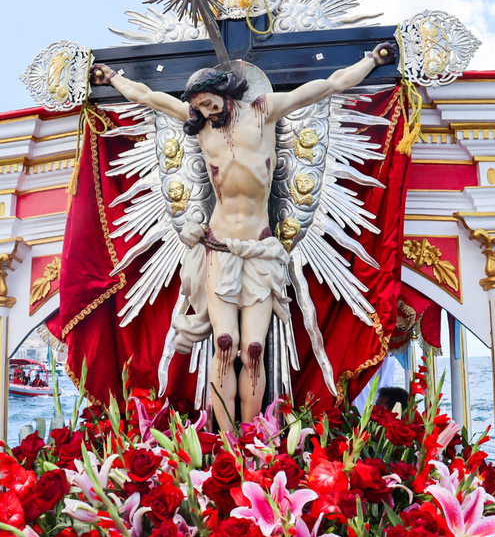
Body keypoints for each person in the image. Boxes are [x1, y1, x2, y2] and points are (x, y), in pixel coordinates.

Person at [91, 43, 395, 431]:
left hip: (260, 250)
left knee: (253, 349)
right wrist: (114, 77)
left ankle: (254, 440)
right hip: (218, 247)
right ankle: (229, 442)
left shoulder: (263, 112)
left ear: (227, 93)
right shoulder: (200, 125)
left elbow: (329, 85)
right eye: (199, 107)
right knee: (224, 344)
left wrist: (371, 59)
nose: (206, 112)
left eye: (211, 103)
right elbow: (148, 97)